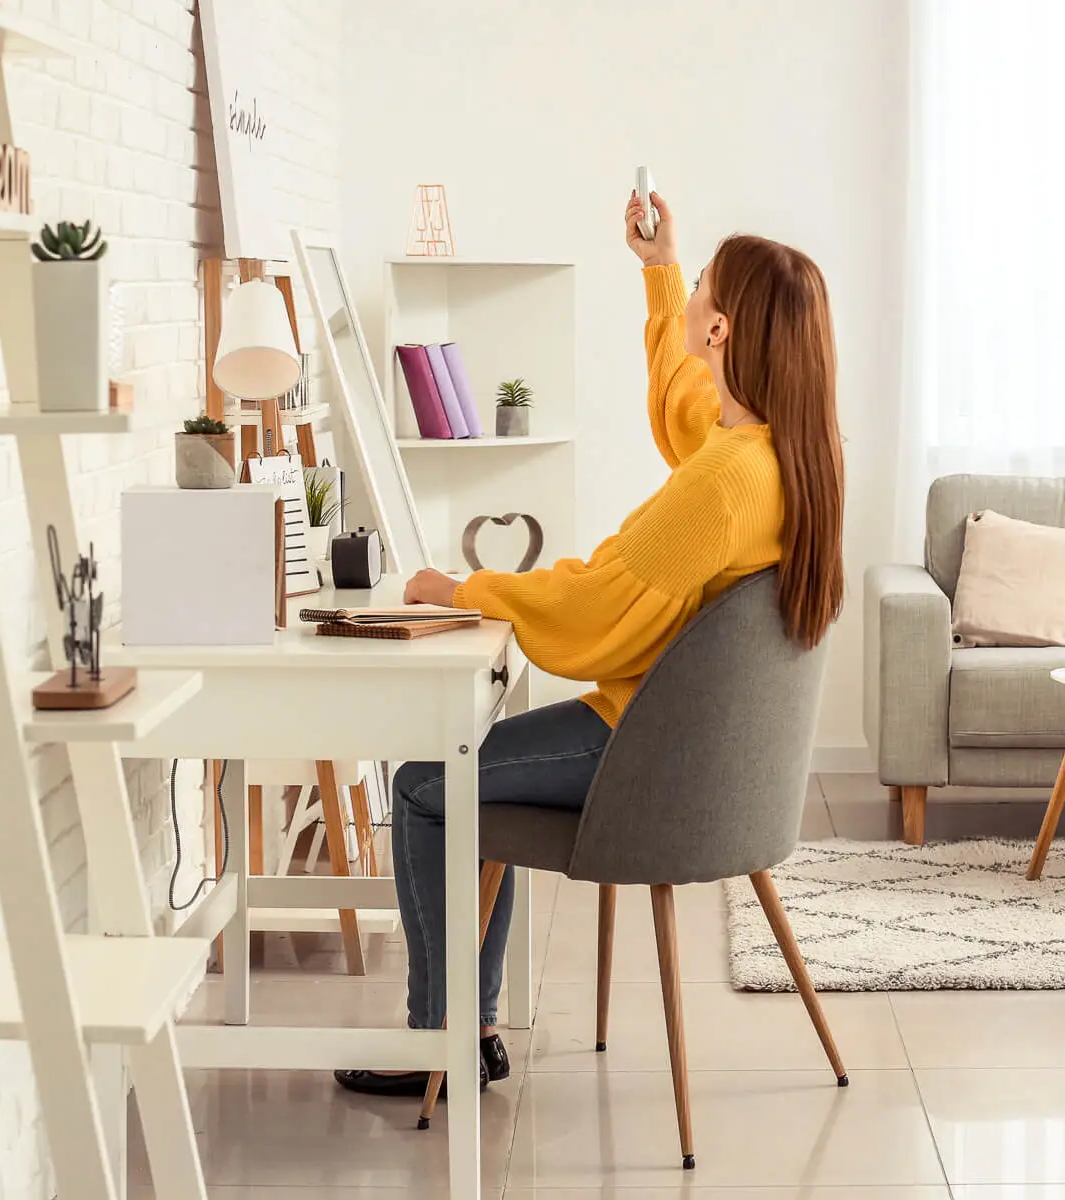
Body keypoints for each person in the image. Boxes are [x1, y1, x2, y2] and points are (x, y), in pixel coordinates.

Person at [335, 191, 845, 1099]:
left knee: (424, 783)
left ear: (722, 330)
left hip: (641, 749)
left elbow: (598, 604)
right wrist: (659, 268)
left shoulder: (725, 482)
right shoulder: (781, 452)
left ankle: (442, 1037)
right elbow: (692, 409)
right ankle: (473, 1025)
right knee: (468, 774)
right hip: (703, 757)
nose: (687, 299)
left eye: (698, 292)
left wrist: (464, 590)